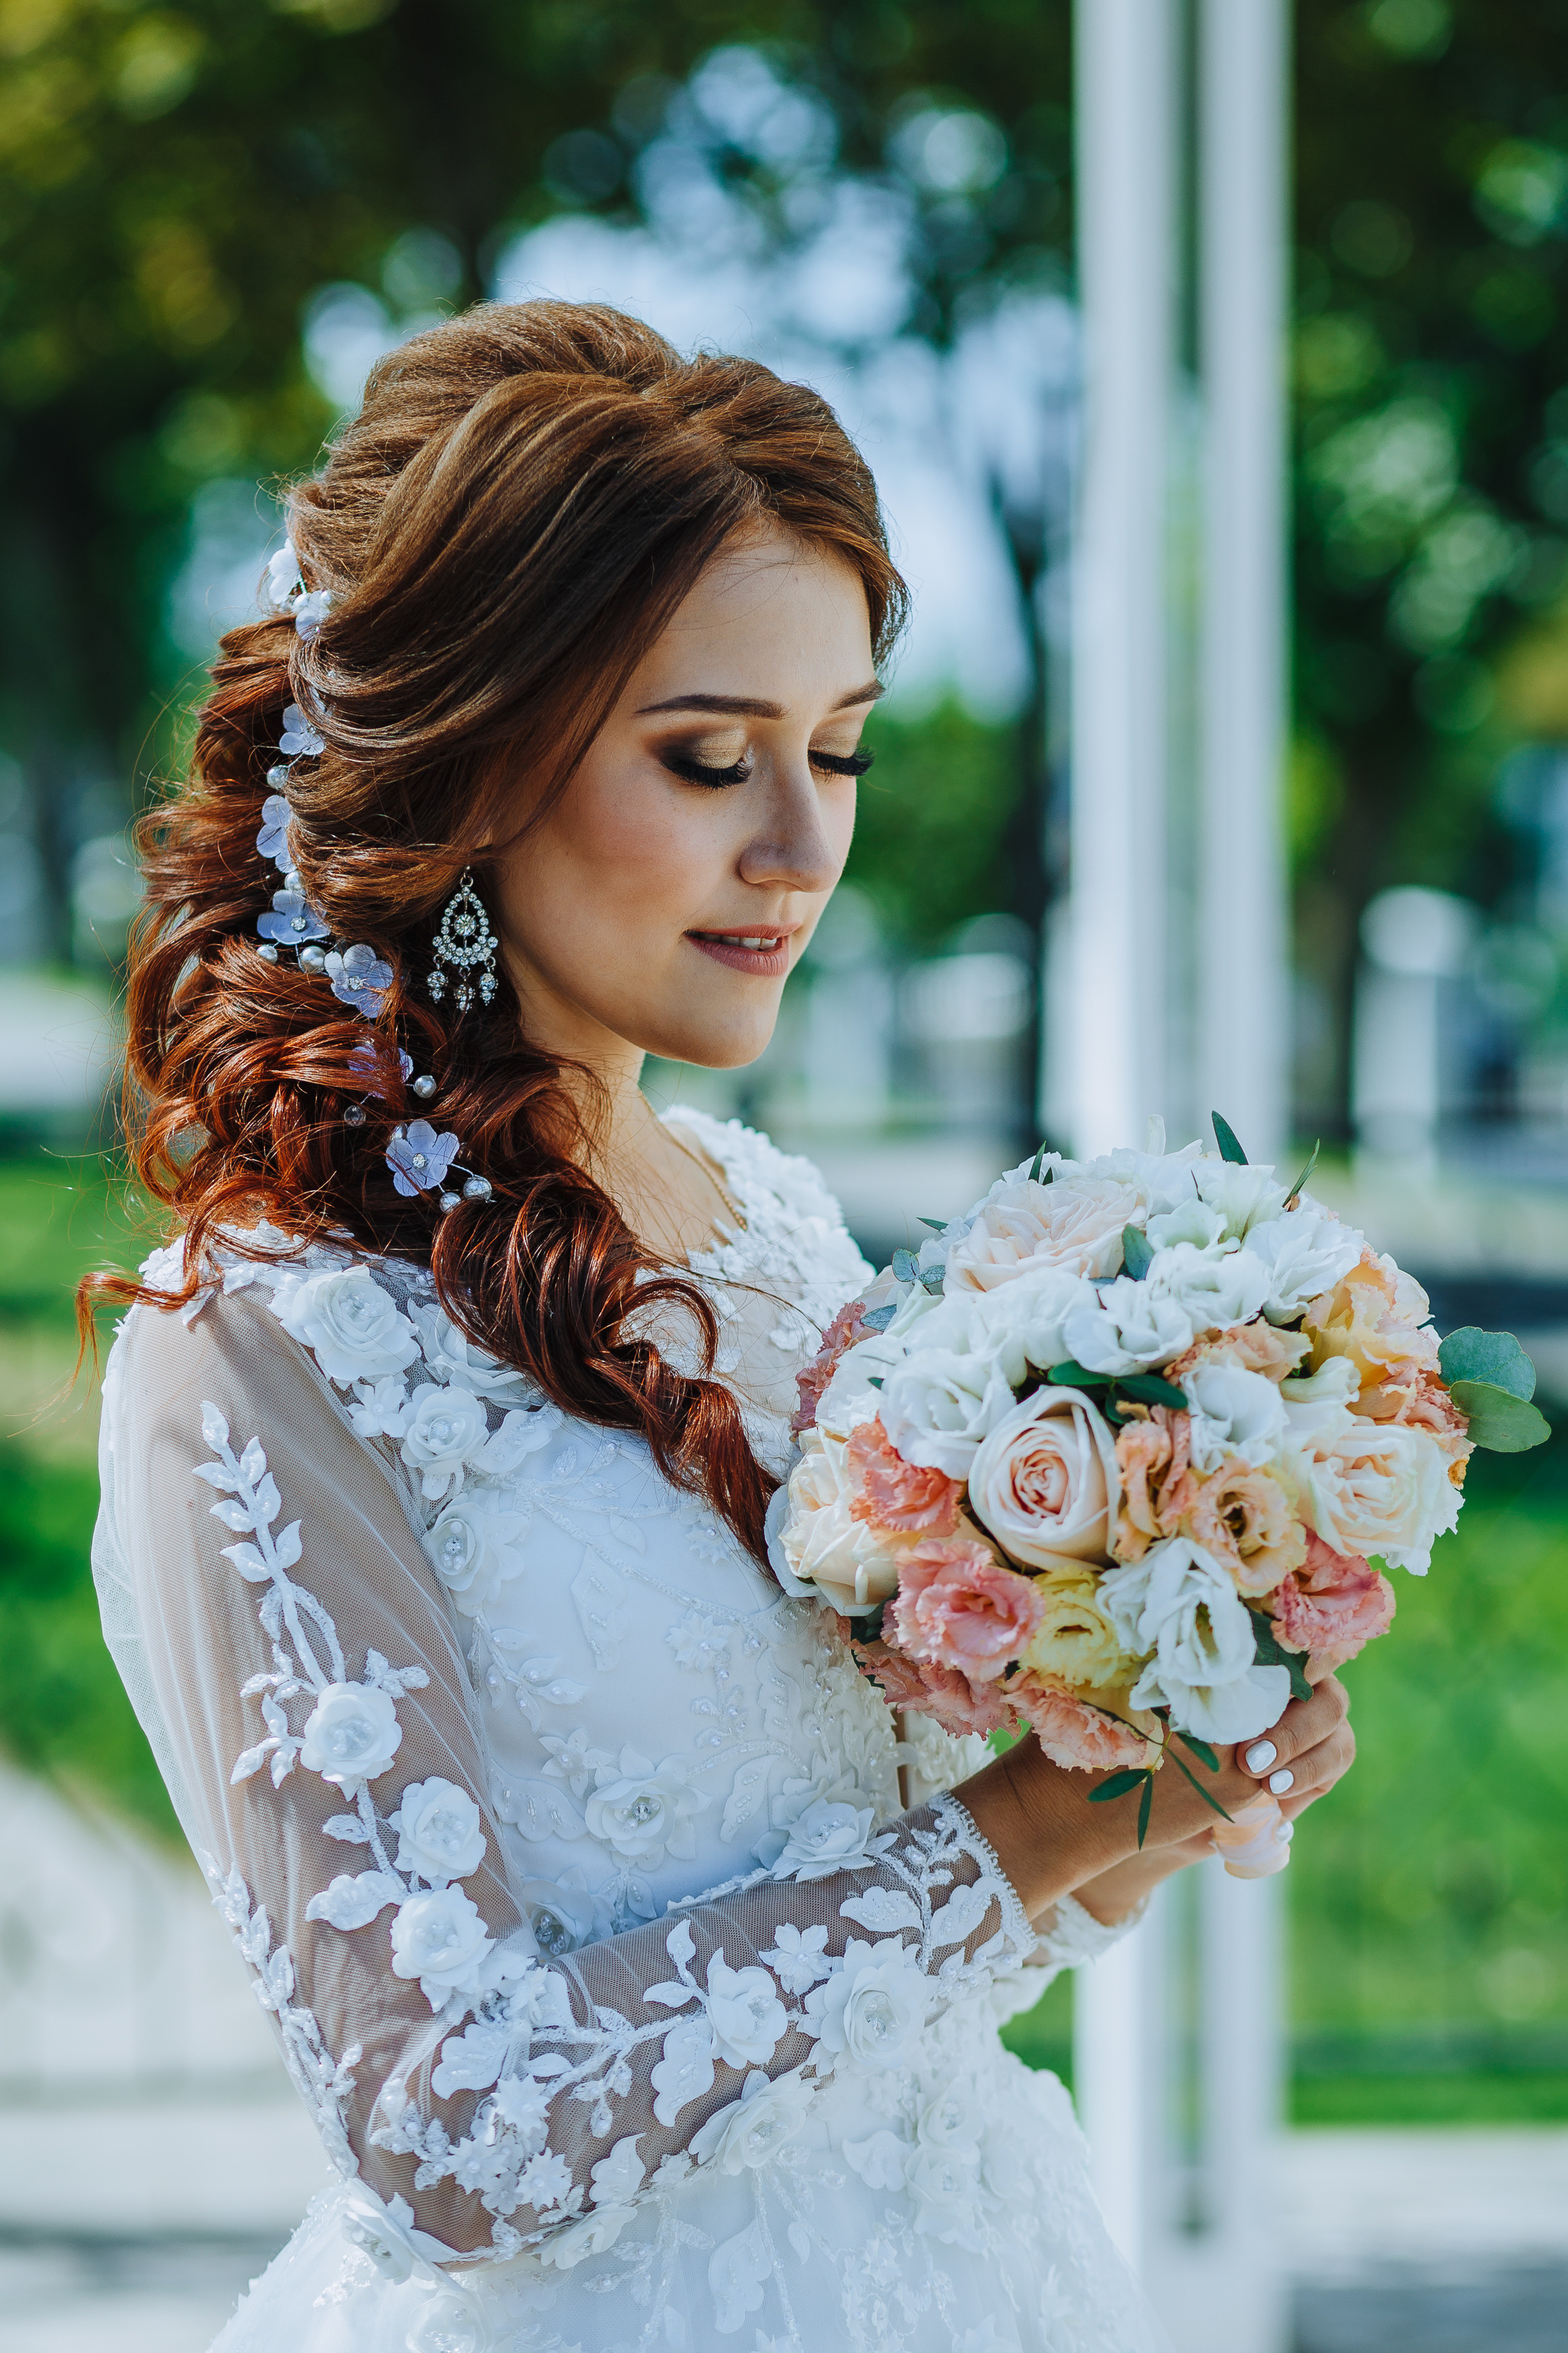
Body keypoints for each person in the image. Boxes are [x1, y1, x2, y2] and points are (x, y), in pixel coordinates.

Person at [87, 302, 1354, 2353]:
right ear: (480, 761)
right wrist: (1015, 1838)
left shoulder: (775, 1223)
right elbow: (442, 2128)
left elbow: (911, 1871)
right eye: (709, 758)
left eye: (838, 746)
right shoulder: (256, 1353)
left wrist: (1153, 1752)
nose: (805, 845)